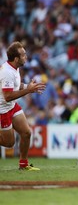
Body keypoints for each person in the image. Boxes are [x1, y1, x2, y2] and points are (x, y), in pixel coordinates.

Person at [0, 41, 46, 170]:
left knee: (26, 133)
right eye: (23, 55)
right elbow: (7, 96)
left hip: (11, 106)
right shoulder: (7, 72)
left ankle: (23, 164)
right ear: (16, 58)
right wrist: (28, 91)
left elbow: (16, 86)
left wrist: (28, 86)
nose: (26, 57)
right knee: (9, 143)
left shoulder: (14, 68)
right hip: (2, 109)